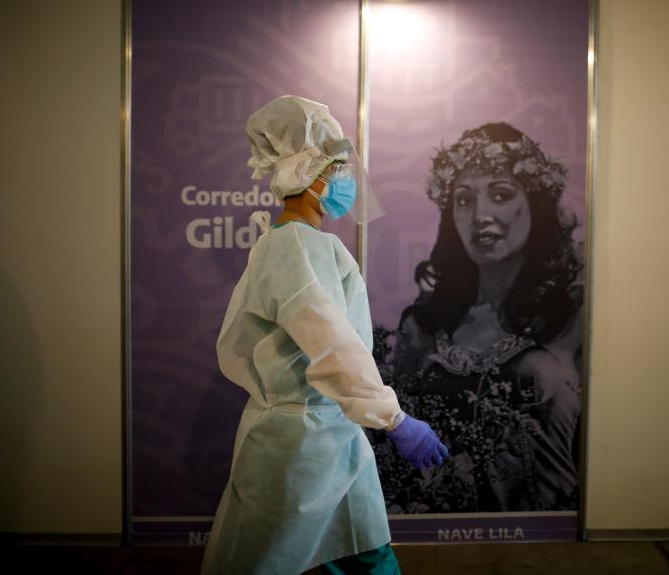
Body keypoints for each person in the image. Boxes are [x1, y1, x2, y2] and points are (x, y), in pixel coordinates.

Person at [201, 96, 448, 575]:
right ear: (311, 175)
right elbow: (332, 344)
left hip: (331, 434)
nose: (347, 180)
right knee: (266, 561)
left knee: (365, 552)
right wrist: (395, 421)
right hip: (298, 445)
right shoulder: (293, 246)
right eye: (338, 167)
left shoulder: (310, 244)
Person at [379, 122, 582, 513]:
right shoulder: (424, 326)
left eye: (501, 195)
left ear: (535, 203)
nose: (479, 216)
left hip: (549, 538)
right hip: (432, 529)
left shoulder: (573, 316)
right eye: (464, 200)